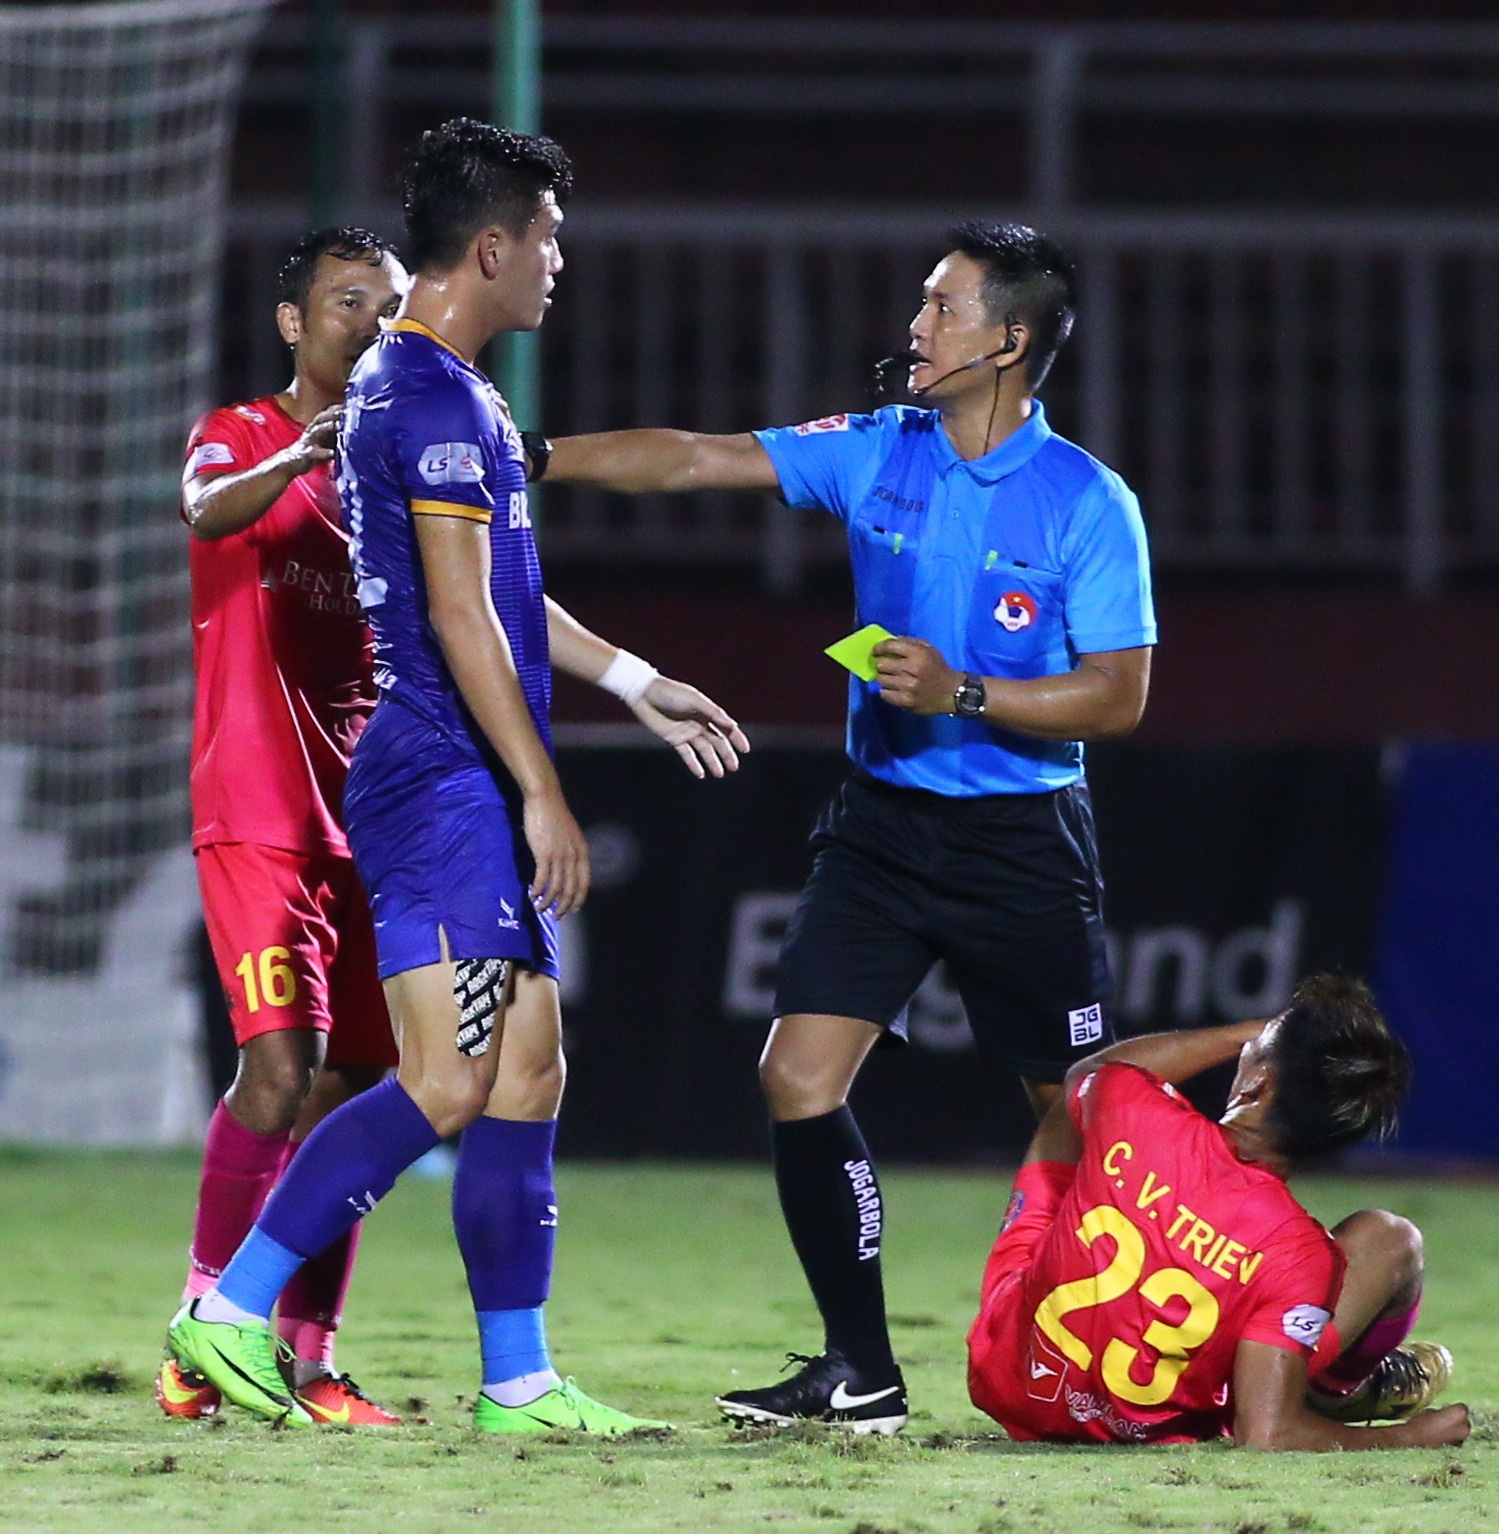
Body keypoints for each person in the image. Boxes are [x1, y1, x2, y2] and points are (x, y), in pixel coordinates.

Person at [169, 118, 749, 1433]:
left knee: (527, 1065)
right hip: (437, 773)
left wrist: (633, 680)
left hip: (457, 769)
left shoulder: (462, 395)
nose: (558, 263)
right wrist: (541, 789)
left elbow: (506, 597)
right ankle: (228, 1306)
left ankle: (519, 1378)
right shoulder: (425, 397)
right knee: (444, 1076)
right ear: (493, 245)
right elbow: (455, 616)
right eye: (548, 240)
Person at [540, 221, 1154, 1430]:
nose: (915, 326)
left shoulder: (1087, 500)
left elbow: (1119, 695)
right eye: (919, 304)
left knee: (1074, 1118)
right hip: (880, 827)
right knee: (795, 1075)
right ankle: (860, 1367)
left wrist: (966, 693)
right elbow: (698, 460)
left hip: (1021, 842)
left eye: (941, 308)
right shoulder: (880, 448)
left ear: (1008, 341)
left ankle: (1137, 1357)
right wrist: (532, 453)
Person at [161, 227, 409, 1426]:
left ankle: (309, 1356)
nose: (368, 321)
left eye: (388, 305)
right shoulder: (244, 432)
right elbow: (206, 512)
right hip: (257, 809)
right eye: (345, 300)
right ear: (293, 323)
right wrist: (303, 454)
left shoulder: (400, 473)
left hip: (372, 819)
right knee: (277, 1069)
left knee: (353, 1091)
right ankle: (204, 1326)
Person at [967, 974, 1470, 1451]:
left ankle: (1332, 1388)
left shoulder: (1132, 1107)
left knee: (1073, 1110)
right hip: (1140, 1426)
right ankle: (1342, 1389)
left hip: (1005, 1375)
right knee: (1391, 1240)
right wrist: (1407, 1437)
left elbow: (1087, 1075)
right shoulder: (1302, 1256)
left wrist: (1249, 1036)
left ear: (1255, 1085)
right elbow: (1267, 1435)